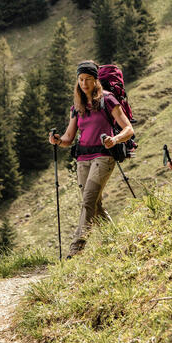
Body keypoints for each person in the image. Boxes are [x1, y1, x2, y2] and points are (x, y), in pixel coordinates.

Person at [49, 61, 134, 258]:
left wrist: (115, 139)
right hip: (82, 158)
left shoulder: (108, 100)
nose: (84, 84)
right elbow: (69, 138)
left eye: (88, 79)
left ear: (96, 80)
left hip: (104, 156)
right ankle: (116, 240)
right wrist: (57, 140)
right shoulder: (76, 107)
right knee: (95, 204)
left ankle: (76, 248)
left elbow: (128, 129)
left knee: (88, 201)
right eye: (81, 80)